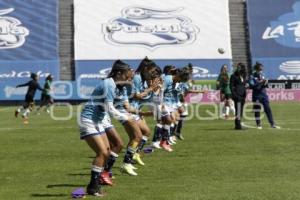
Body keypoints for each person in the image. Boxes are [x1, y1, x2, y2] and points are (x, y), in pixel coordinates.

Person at [79, 60, 133, 196]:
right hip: (88, 120)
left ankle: (96, 184)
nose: (128, 78)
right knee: (102, 152)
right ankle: (93, 187)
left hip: (97, 120)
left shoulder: (113, 84)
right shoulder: (109, 84)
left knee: (107, 151)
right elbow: (110, 108)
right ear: (119, 73)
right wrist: (127, 117)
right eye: (126, 75)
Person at [249, 62, 280, 129]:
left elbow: (265, 85)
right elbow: (251, 85)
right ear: (257, 69)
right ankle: (258, 124)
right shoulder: (252, 76)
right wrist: (259, 83)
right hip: (256, 95)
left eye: (262, 69)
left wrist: (265, 82)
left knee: (268, 109)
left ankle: (272, 124)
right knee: (257, 110)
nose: (261, 71)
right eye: (260, 69)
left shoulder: (263, 75)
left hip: (264, 95)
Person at [230, 63, 248, 130]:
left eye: (239, 67)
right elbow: (231, 87)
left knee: (240, 111)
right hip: (237, 96)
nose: (238, 68)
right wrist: (235, 95)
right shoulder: (233, 76)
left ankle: (237, 125)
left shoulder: (243, 76)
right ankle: (238, 125)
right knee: (238, 111)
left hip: (243, 96)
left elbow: (243, 85)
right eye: (237, 67)